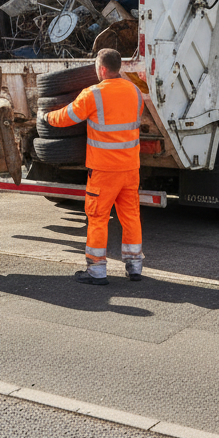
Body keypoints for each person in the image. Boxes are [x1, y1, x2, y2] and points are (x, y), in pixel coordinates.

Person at [43, 48, 145, 285]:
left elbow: (67, 117)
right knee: (131, 216)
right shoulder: (135, 92)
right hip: (130, 169)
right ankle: (135, 266)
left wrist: (46, 118)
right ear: (118, 67)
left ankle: (97, 271)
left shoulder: (93, 94)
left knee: (98, 217)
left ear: (101, 69)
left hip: (103, 171)